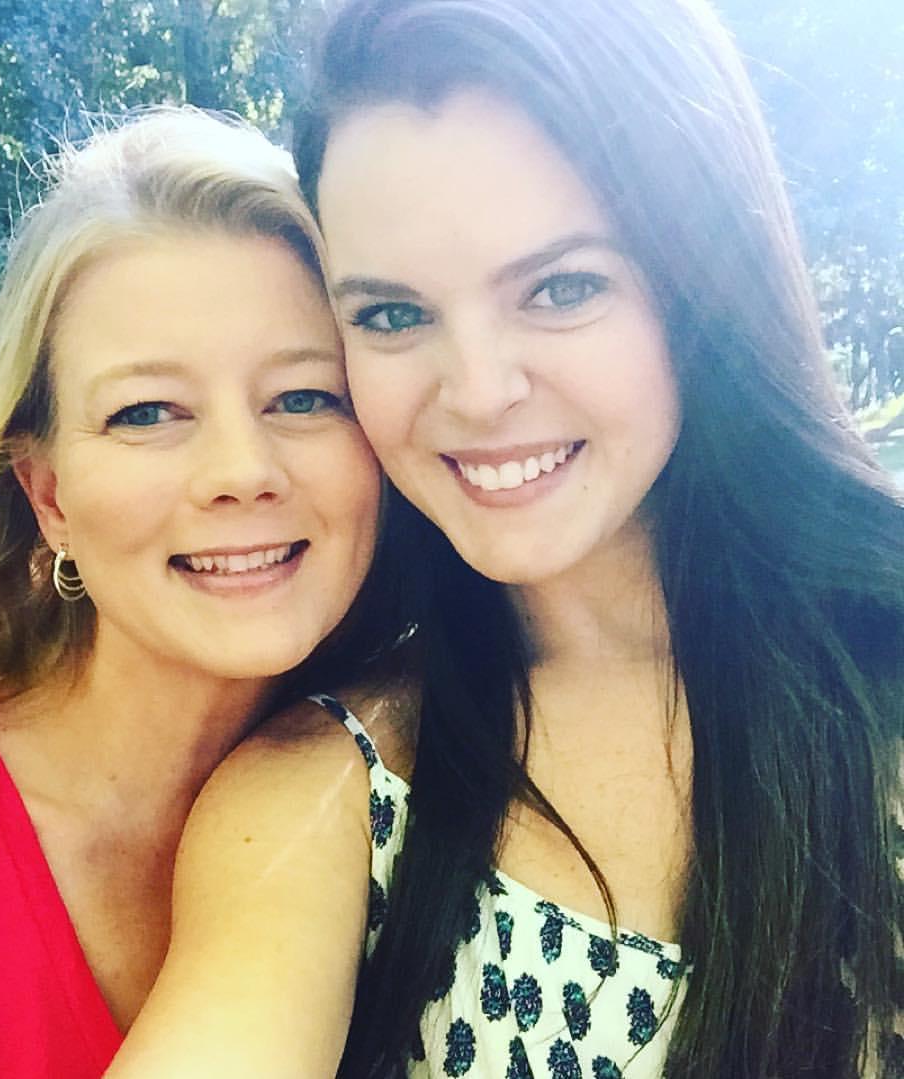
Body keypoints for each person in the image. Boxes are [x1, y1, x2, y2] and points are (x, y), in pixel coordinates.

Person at [107, 2, 903, 1077]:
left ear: (703, 288)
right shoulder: (330, 797)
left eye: (561, 288)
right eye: (393, 315)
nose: (477, 392)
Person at [0, 106, 399, 1078]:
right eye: (147, 412)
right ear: (47, 495)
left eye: (303, 396)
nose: (243, 470)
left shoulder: (416, 786)